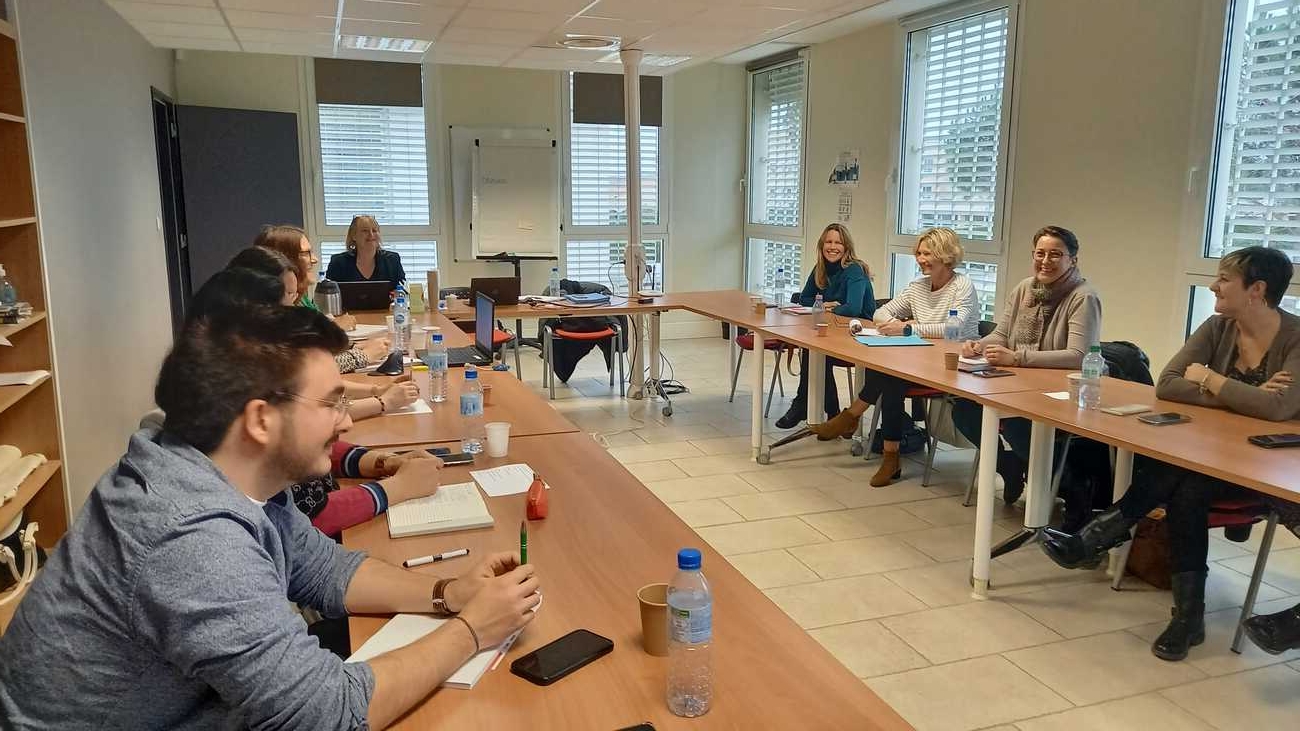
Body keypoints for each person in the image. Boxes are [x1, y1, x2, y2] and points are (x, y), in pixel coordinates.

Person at [0, 305, 541, 729]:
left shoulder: (223, 467)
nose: (347, 420)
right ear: (260, 419)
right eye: (330, 403)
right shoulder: (192, 539)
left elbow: (324, 568)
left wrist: (448, 594)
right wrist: (472, 631)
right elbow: (327, 715)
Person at [1041, 246, 1300, 661]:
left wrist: (1211, 379)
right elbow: (1168, 384)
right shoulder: (1217, 327)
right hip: (1215, 461)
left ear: (1257, 289)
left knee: (1184, 480)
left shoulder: (1295, 337)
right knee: (1188, 483)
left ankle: (1101, 539)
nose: (1213, 286)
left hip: (1268, 472)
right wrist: (1243, 396)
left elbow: (1279, 408)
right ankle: (1186, 617)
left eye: (1224, 279)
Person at [809, 228, 980, 486]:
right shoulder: (918, 286)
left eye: (927, 254)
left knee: (891, 376)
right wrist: (897, 324)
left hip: (953, 363)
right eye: (919, 253)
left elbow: (951, 329)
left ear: (945, 255)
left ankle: (854, 418)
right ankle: (888, 454)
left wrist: (909, 328)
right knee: (891, 375)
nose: (921, 259)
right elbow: (880, 312)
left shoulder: (962, 286)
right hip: (921, 358)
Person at [950, 225, 1102, 504]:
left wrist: (1017, 358)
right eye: (1040, 253)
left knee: (1017, 424)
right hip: (1019, 383)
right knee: (965, 410)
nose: (1045, 261)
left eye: (1055, 254)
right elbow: (1002, 334)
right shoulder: (1025, 288)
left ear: (1073, 260)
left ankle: (1071, 490)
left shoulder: (1083, 296)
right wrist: (978, 345)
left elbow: (1078, 355)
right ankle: (1008, 466)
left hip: (1058, 390)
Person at [774, 223, 877, 429]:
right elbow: (803, 298)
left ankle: (810, 406)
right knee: (814, 349)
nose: (832, 247)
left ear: (846, 247)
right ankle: (828, 414)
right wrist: (827, 304)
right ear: (822, 246)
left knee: (817, 352)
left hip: (859, 335)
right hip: (834, 330)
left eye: (838, 243)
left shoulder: (854, 269)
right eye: (828, 242)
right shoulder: (820, 269)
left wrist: (828, 307)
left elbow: (853, 308)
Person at [230, 243, 388, 374]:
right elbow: (303, 371)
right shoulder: (243, 338)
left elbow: (307, 347)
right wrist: (363, 356)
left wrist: (351, 347)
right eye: (305, 253)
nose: (314, 259)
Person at [327, 215, 407, 286]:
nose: (371, 235)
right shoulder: (338, 262)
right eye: (365, 231)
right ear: (354, 235)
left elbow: (403, 290)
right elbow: (327, 292)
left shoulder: (392, 260)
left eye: (374, 230)